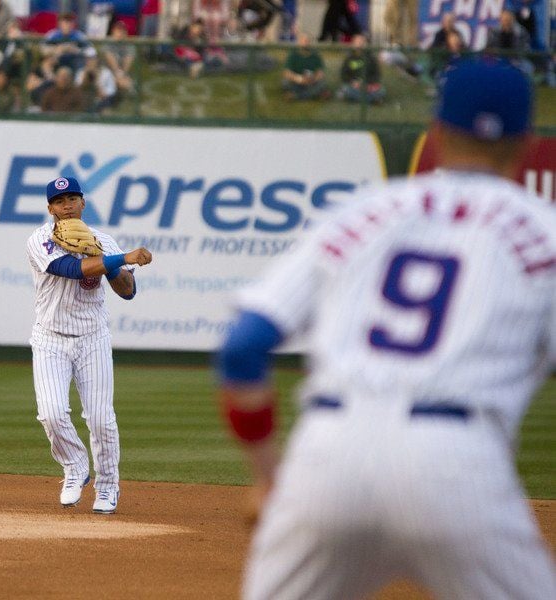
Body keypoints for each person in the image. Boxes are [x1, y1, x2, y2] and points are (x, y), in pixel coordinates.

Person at [216, 57, 556, 599]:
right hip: (456, 464)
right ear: (525, 141)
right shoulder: (545, 231)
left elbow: (242, 348)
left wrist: (268, 479)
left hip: (328, 456)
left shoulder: (360, 210)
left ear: (437, 131)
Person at [26, 176, 153, 514]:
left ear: (83, 203)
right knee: (51, 414)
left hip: (92, 338)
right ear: (51, 209)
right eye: (60, 200)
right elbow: (70, 268)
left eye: (73, 198)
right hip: (50, 338)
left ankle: (108, 486)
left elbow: (127, 291)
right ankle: (74, 466)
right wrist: (120, 256)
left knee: (100, 419)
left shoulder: (104, 241)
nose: (67, 205)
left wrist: (110, 261)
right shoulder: (40, 241)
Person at [336, 33, 384, 104]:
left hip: (368, 85)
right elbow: (343, 75)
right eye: (357, 42)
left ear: (365, 44)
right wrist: (353, 82)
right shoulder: (349, 58)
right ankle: (372, 99)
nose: (360, 44)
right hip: (353, 85)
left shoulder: (371, 58)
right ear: (353, 44)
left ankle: (359, 98)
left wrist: (367, 83)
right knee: (345, 89)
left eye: (362, 42)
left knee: (382, 91)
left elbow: (377, 75)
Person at [281, 32, 329, 101]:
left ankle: (296, 96)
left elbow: (320, 73)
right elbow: (287, 73)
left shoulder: (315, 56)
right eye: (303, 40)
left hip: (311, 82)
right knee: (285, 82)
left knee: (323, 83)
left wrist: (312, 79)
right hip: (297, 82)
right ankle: (311, 95)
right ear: (299, 42)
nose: (305, 43)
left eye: (307, 41)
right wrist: (299, 79)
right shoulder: (293, 55)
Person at [101, 20, 135, 99]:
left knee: (126, 83)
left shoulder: (129, 44)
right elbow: (109, 57)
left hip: (121, 73)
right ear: (113, 31)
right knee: (109, 83)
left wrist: (123, 74)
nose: (120, 33)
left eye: (122, 31)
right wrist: (117, 74)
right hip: (107, 71)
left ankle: (120, 95)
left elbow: (129, 59)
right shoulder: (108, 42)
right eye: (118, 31)